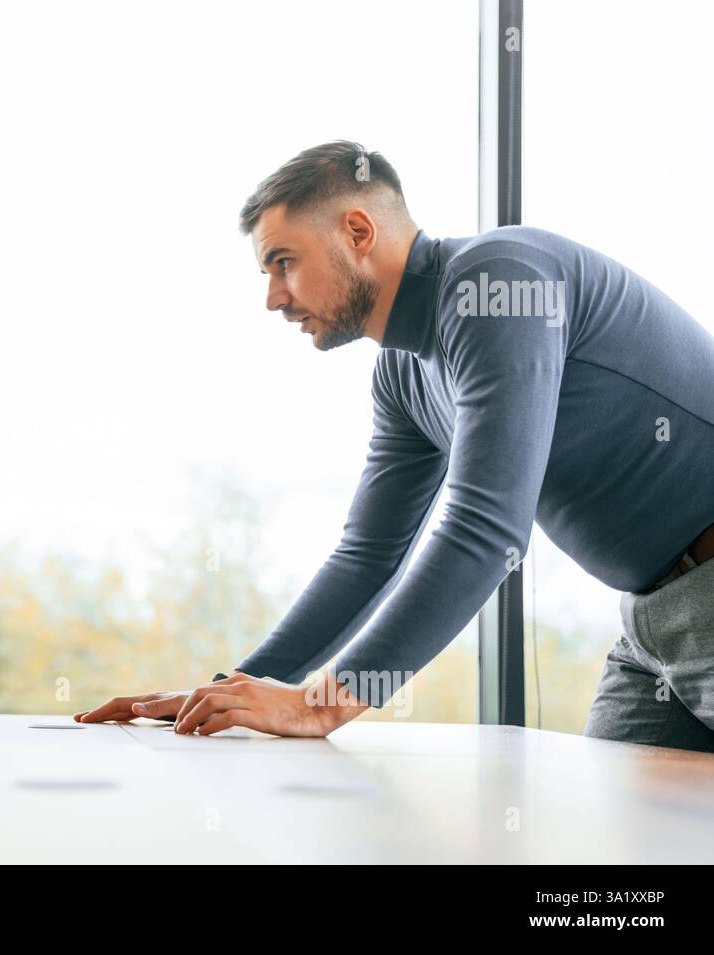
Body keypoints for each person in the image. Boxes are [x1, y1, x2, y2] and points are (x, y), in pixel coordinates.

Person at [77, 140, 714, 751]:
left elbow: (485, 530)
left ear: (357, 233)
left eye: (284, 262)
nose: (273, 298)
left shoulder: (496, 284)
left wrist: (320, 703)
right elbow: (368, 557)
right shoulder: (403, 374)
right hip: (652, 623)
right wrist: (223, 693)